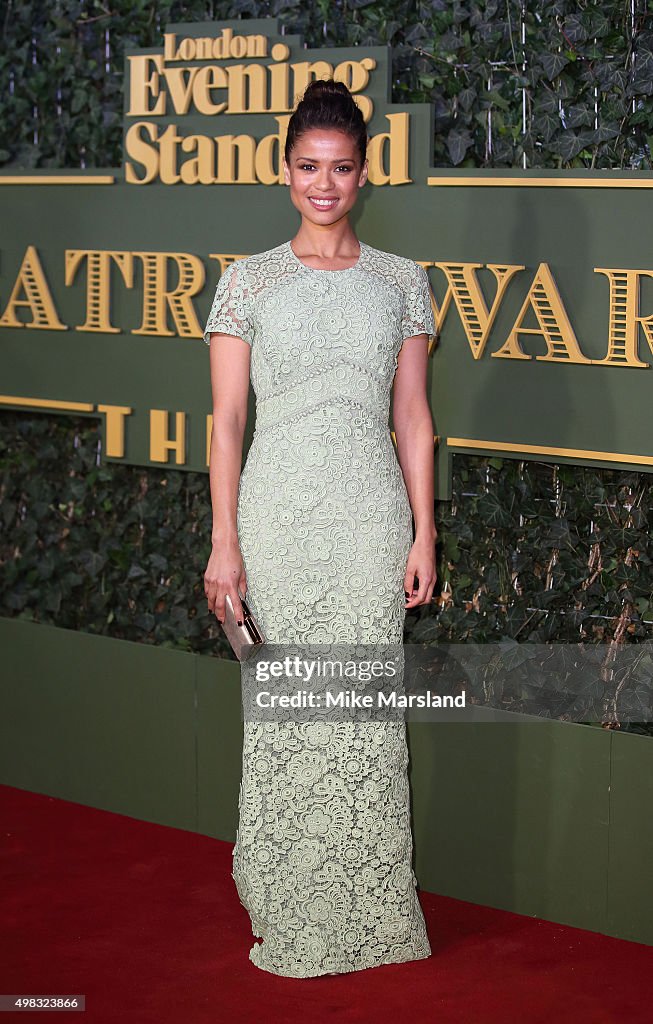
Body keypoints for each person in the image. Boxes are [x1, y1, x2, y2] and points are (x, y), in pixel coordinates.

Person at [201, 77, 438, 978]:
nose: (324, 183)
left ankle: (373, 917)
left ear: (365, 172)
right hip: (277, 522)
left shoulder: (400, 283)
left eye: (340, 167)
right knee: (288, 717)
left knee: (365, 720)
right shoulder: (249, 282)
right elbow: (226, 423)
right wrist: (225, 541)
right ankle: (291, 898)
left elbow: (412, 418)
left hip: (369, 521)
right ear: (285, 169)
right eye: (308, 166)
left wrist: (424, 533)